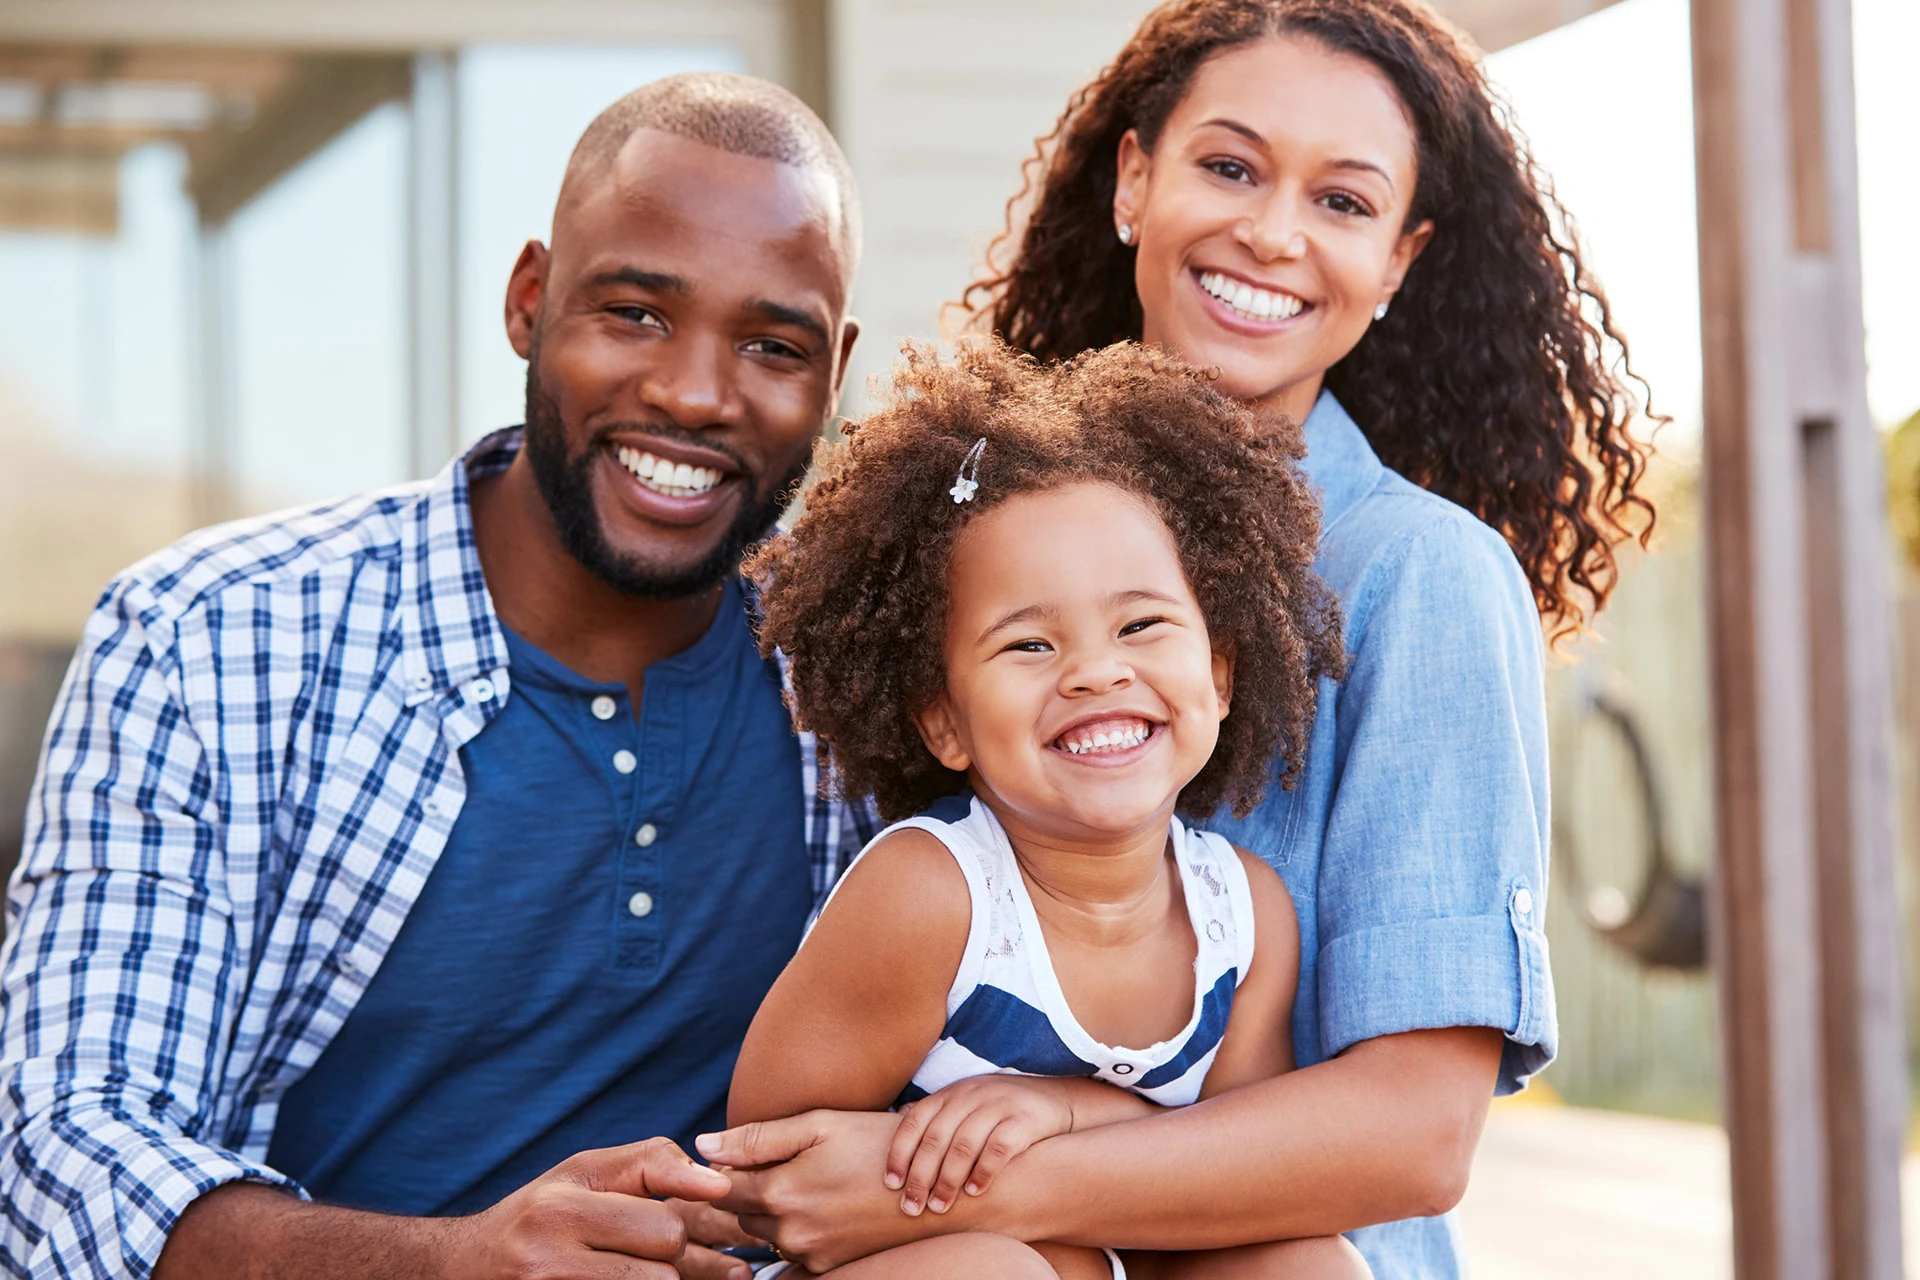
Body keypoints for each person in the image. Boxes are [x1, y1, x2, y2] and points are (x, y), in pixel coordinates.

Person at [698, 2, 1657, 1277]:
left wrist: (971, 1181)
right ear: (1135, 178)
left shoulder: (1419, 578)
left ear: (1400, 261)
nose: (1272, 231)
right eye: (1230, 166)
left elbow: (1417, 1132)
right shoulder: (972, 522)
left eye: (1345, 202)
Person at [0, 73, 871, 1280]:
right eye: (634, 313)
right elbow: (62, 1153)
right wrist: (453, 1262)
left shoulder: (866, 688)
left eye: (771, 344)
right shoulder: (204, 641)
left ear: (834, 375)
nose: (693, 392)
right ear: (529, 300)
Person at [732, 339, 1356, 1280]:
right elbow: (769, 1172)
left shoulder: (1244, 916)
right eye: (1028, 644)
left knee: (1308, 1265)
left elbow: (1235, 1175)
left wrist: (1071, 1114)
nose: (1097, 671)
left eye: (1142, 624)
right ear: (944, 721)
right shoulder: (933, 895)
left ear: (1221, 673)